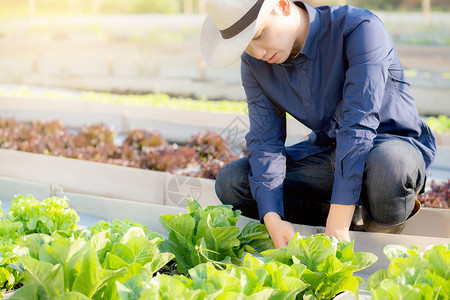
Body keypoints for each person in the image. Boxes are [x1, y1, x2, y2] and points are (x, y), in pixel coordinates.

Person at [200, 0, 436, 248]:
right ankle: (338, 219)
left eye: (258, 35)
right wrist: (272, 217)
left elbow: (359, 125)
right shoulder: (255, 63)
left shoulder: (360, 29)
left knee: (390, 167)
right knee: (233, 181)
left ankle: (373, 241)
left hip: (388, 149)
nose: (257, 52)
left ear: (282, 5)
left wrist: (339, 217)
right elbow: (265, 140)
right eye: (245, 47)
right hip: (328, 156)